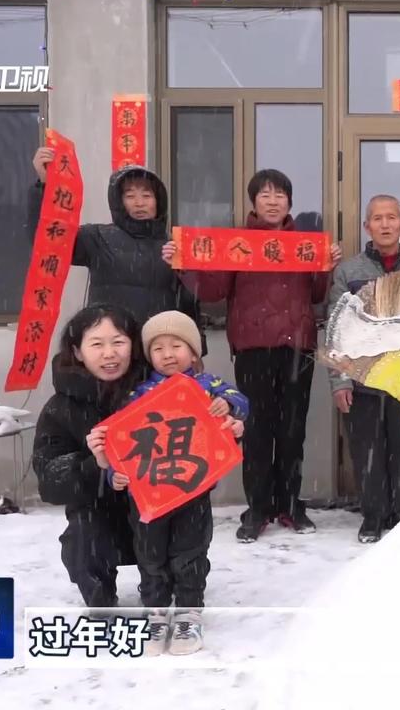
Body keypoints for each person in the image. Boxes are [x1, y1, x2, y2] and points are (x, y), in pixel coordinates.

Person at [164, 169, 341, 542]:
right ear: (254, 203)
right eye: (265, 195)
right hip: (252, 348)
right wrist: (183, 263)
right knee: (256, 429)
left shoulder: (305, 243)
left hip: (297, 348)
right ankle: (258, 507)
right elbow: (211, 290)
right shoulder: (237, 244)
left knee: (292, 431)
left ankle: (290, 503)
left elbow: (316, 293)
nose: (273, 201)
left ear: (290, 202)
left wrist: (329, 264)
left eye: (280, 194)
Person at [111, 311, 248, 656]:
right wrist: (113, 472)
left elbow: (241, 402)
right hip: (149, 492)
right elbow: (119, 438)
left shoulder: (209, 385)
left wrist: (226, 404)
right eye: (158, 348)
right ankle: (156, 611)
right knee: (150, 553)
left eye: (177, 345)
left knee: (190, 551)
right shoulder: (139, 392)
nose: (168, 354)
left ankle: (188, 611)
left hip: (193, 489)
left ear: (194, 353)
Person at [28, 148, 205, 353]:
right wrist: (45, 185)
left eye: (147, 195)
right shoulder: (97, 238)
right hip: (112, 351)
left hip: (158, 351)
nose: (139, 203)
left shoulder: (175, 245)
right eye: (130, 196)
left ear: (159, 202)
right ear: (118, 202)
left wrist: (196, 349)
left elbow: (190, 302)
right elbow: (48, 241)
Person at [30, 304, 147, 610]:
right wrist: (95, 465)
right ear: (78, 352)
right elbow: (50, 480)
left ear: (133, 347)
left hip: (154, 506)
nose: (110, 353)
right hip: (99, 510)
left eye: (119, 342)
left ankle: (170, 598)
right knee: (85, 535)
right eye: (97, 344)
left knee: (189, 518)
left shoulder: (157, 392)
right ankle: (100, 603)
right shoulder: (60, 408)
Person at [328, 195, 400, 544]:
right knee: (366, 449)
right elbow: (336, 326)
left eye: (392, 217)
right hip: (362, 378)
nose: (385, 224)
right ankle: (372, 516)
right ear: (367, 226)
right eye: (377, 218)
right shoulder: (349, 272)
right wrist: (340, 380)